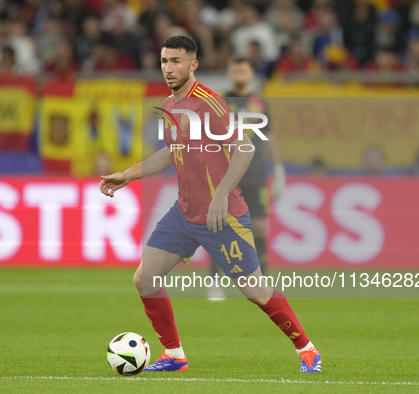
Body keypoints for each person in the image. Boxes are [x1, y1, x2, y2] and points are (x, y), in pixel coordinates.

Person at [99, 36, 321, 374]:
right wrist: (128, 175)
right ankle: (174, 355)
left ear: (193, 65)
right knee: (145, 278)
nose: (168, 68)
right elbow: (169, 154)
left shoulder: (211, 104)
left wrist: (220, 195)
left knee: (256, 291)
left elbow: (244, 148)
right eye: (164, 61)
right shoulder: (171, 106)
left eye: (176, 61)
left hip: (223, 216)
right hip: (185, 212)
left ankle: (307, 349)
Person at [208, 56, 287, 301]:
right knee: (219, 226)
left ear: (251, 72)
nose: (239, 74)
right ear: (230, 73)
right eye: (235, 70)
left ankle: (262, 283)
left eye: (243, 69)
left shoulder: (260, 103)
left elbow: (268, 136)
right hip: (227, 175)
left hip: (255, 174)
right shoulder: (219, 101)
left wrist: (278, 168)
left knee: (260, 228)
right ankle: (215, 283)